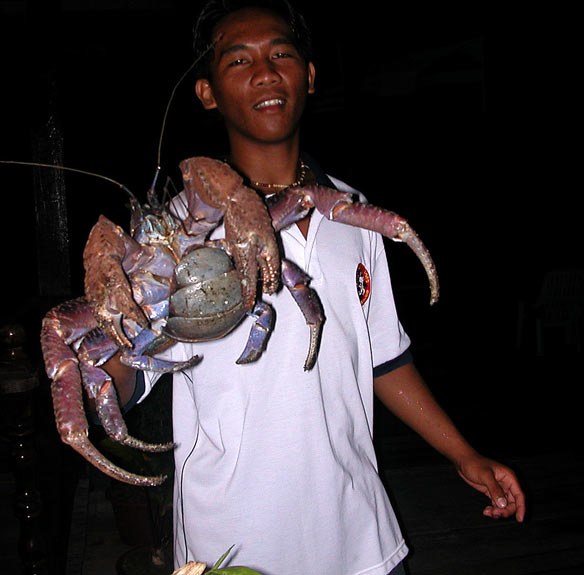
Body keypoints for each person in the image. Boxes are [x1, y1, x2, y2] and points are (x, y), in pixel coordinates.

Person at [104, 1, 525, 574]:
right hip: (230, 540)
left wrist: (464, 454)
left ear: (308, 76)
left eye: (281, 54)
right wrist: (99, 344)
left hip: (359, 528)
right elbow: (126, 379)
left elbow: (383, 359)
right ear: (207, 93)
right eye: (238, 61)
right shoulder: (172, 234)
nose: (265, 72)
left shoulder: (353, 212)